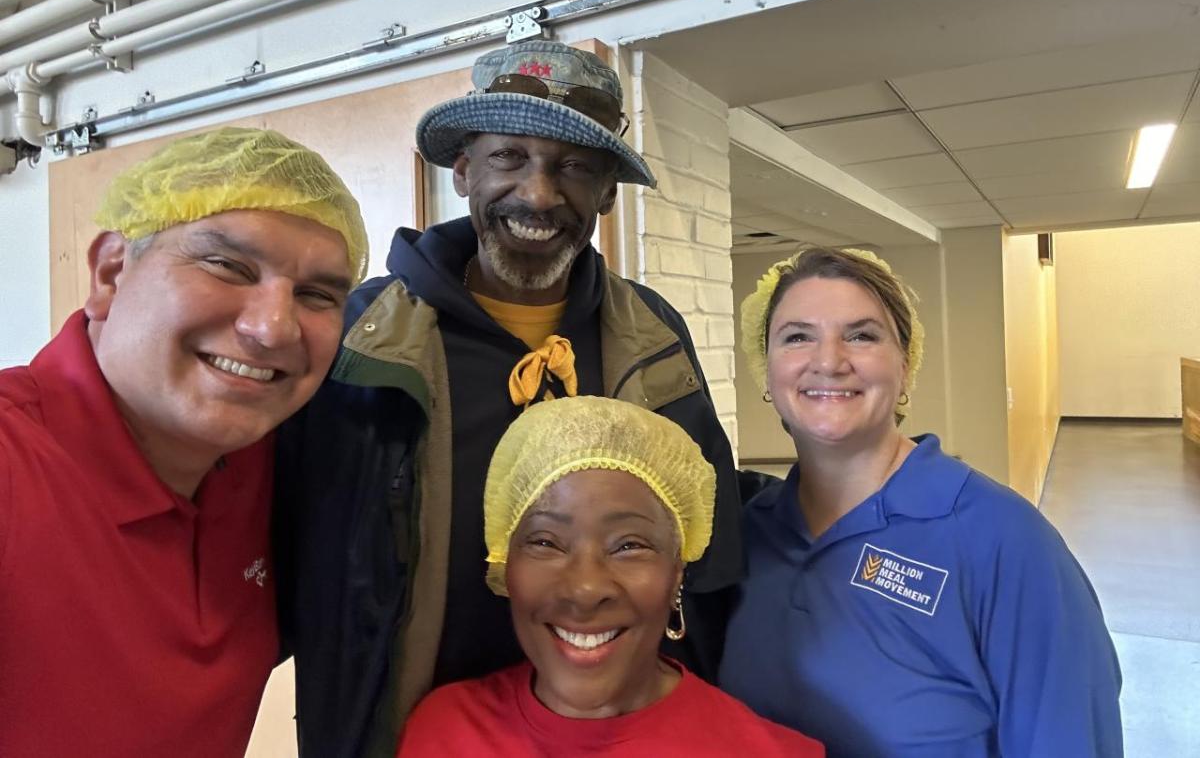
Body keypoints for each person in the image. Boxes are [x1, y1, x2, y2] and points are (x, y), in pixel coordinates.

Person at [275, 40, 743, 757]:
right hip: (402, 727)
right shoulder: (361, 339)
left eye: (575, 168)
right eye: (509, 158)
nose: (538, 193)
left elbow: (708, 547)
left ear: (607, 193)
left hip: (612, 729)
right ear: (463, 169)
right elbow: (287, 534)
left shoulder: (653, 336)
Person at [0, 127, 367, 758]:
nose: (271, 330)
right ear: (111, 272)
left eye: (315, 295)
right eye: (227, 265)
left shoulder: (274, 468)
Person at [718, 247, 1123, 757]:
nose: (828, 361)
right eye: (798, 336)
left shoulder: (1005, 542)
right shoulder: (751, 533)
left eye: (861, 335)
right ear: (767, 370)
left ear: (905, 367)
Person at [396, 395, 824, 757]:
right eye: (546, 542)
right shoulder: (442, 734)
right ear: (505, 563)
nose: (585, 589)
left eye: (629, 545)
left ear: (678, 568)